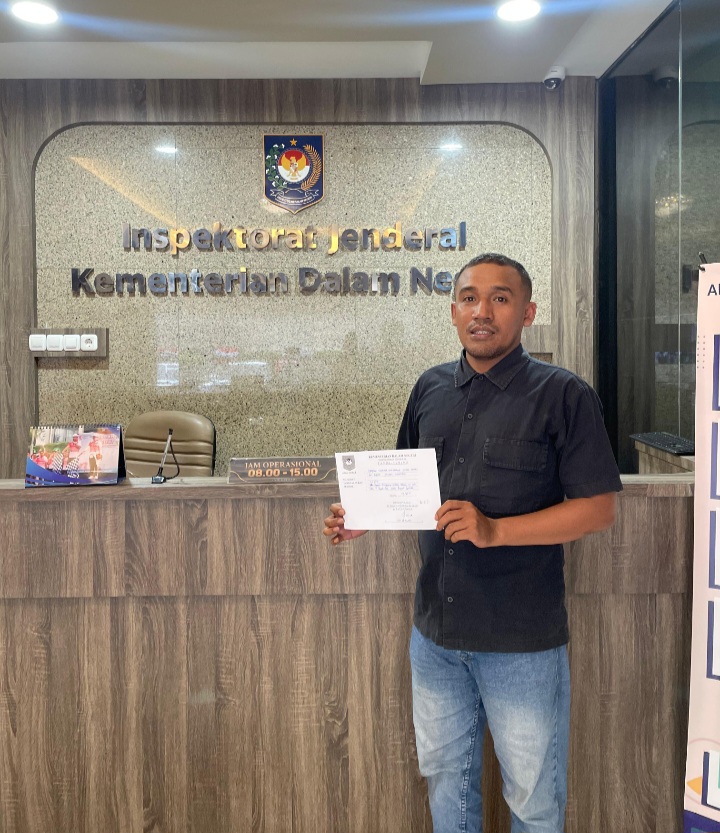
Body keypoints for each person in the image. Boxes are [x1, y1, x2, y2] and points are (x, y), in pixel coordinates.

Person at [323, 253, 622, 833]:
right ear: (454, 311)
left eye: (500, 298)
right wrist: (366, 517)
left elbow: (599, 509)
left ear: (527, 312)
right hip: (435, 636)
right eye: (469, 298)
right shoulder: (429, 388)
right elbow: (407, 486)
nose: (482, 311)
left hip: (522, 642)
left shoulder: (563, 394)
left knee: (533, 801)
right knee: (448, 790)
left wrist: (496, 530)